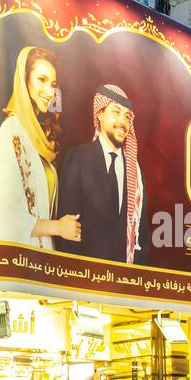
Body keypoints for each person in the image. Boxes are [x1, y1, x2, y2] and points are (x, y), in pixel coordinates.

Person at [0, 45, 82, 249]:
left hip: (41, 262)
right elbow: (6, 220)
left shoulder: (39, 137)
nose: (49, 92)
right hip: (19, 265)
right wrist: (58, 227)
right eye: (41, 80)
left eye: (53, 84)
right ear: (24, 80)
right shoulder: (12, 132)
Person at [55, 84, 150, 264]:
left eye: (127, 116)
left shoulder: (137, 176)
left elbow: (142, 239)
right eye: (116, 112)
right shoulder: (78, 158)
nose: (123, 122)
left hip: (124, 284)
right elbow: (67, 229)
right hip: (84, 281)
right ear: (99, 113)